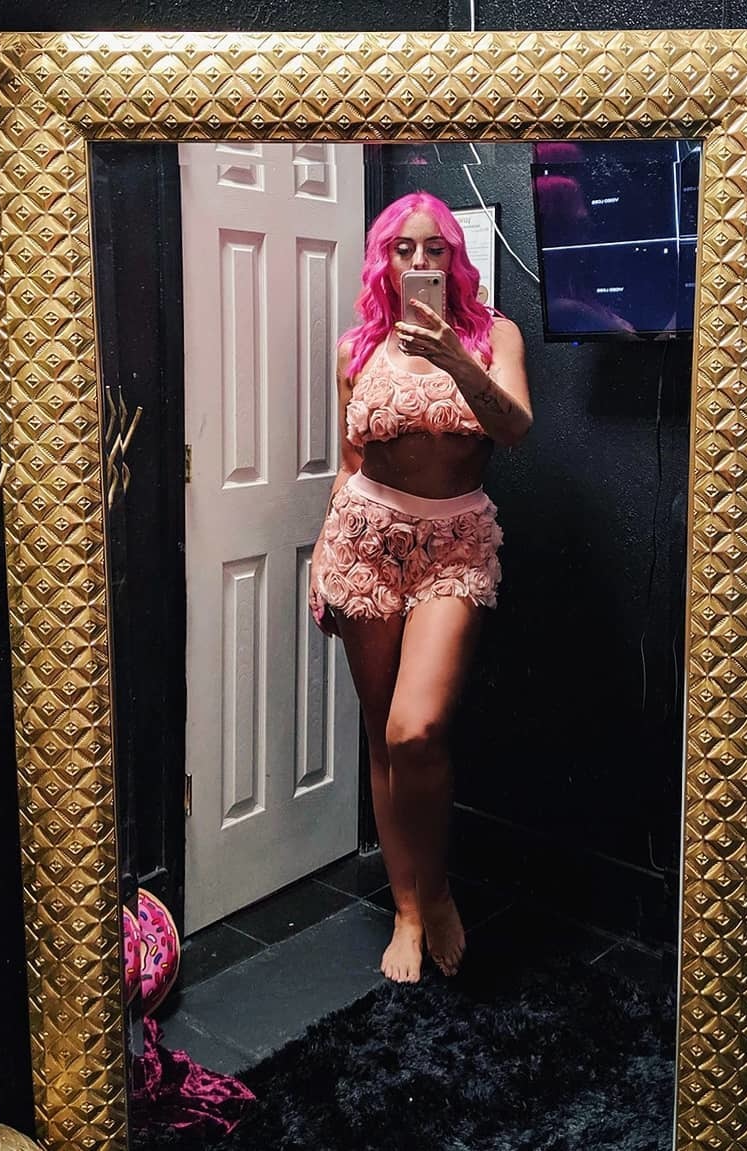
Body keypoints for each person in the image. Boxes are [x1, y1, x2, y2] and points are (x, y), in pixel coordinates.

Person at [308, 192, 533, 983]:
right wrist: (321, 556)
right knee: (381, 730)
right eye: (404, 249)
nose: (420, 260)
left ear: (454, 257)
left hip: (454, 545)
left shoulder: (494, 334)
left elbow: (515, 427)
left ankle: (436, 890)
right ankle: (406, 906)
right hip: (363, 543)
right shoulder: (357, 347)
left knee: (417, 729)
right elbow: (347, 463)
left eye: (434, 247)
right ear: (385, 259)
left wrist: (452, 357)